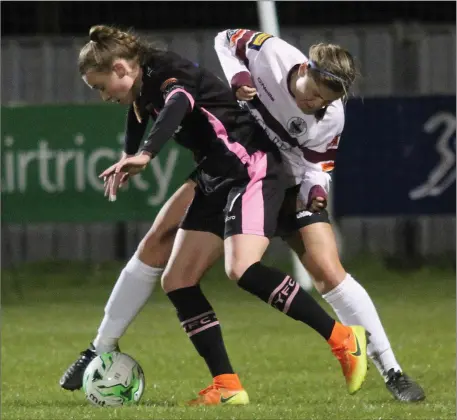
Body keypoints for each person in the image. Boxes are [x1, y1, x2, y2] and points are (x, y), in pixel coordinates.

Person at [59, 25, 368, 405]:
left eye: (102, 86)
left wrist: (147, 154)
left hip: (251, 167)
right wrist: (129, 152)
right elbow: (142, 113)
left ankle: (343, 339)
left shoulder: (169, 72)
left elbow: (177, 104)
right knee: (177, 280)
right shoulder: (144, 82)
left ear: (122, 68)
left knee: (241, 269)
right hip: (216, 174)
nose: (104, 96)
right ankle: (227, 385)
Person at [212, 28, 425, 402]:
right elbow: (225, 39)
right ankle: (104, 345)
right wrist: (237, 75)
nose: (312, 103)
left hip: (290, 186)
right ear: (305, 67)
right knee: (192, 260)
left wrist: (315, 191)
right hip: (247, 174)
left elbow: (318, 166)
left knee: (331, 275)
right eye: (312, 91)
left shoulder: (332, 117)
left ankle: (393, 371)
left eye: (322, 101)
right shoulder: (271, 53)